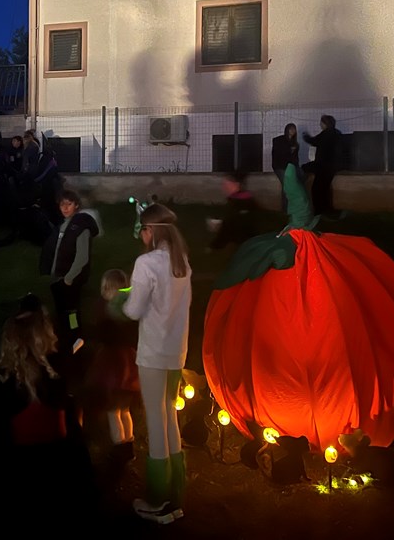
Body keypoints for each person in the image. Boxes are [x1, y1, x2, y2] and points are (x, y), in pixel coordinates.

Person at [0, 305, 97, 528]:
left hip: (18, 483)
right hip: (59, 479)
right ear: (43, 339)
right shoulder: (55, 381)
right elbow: (75, 439)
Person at [121, 203, 191, 524]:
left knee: (155, 418)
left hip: (152, 353)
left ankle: (158, 498)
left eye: (142, 230)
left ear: (151, 231)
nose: (141, 235)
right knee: (169, 415)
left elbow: (134, 310)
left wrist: (121, 300)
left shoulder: (146, 263)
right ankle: (176, 494)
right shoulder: (182, 262)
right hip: (176, 352)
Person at [85, 268, 139, 478]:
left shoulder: (108, 312)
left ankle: (120, 448)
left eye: (107, 289)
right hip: (128, 367)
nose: (104, 292)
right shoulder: (129, 310)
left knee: (113, 411)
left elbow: (102, 333)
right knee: (124, 409)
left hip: (114, 370)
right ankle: (128, 445)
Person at [39, 190, 100, 360]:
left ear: (76, 205)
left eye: (69, 204)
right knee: (61, 309)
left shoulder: (80, 228)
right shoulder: (63, 226)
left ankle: (76, 337)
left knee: (71, 310)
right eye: (62, 204)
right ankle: (64, 335)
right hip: (58, 278)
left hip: (69, 280)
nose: (65, 208)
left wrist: (69, 278)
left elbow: (82, 257)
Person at [207, 171, 262, 252]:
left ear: (236, 185)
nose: (224, 187)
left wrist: (213, 246)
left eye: (227, 184)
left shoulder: (239, 203)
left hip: (247, 244)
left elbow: (228, 227)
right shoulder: (245, 199)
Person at [302, 114, 343, 217]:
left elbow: (314, 141)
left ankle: (319, 211)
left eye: (321, 122)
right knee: (325, 188)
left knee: (317, 189)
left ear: (325, 123)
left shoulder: (326, 134)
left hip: (323, 166)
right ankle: (327, 209)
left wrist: (305, 136)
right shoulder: (337, 133)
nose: (320, 124)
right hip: (333, 166)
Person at [271, 123, 301, 212]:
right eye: (291, 129)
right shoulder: (279, 140)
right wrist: (290, 150)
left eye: (294, 129)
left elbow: (295, 159)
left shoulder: (295, 144)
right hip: (280, 166)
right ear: (287, 130)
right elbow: (278, 154)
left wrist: (296, 168)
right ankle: (285, 208)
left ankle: (290, 207)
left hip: (289, 167)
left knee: (290, 185)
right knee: (287, 185)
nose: (292, 131)